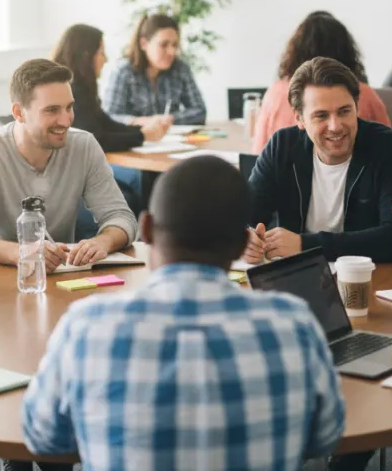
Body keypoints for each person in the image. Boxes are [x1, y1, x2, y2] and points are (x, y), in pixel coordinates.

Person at [22, 156, 346, 470]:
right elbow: (324, 437)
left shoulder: (87, 327)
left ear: (146, 230)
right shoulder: (293, 324)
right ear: (238, 246)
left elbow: (44, 438)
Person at [0, 59, 138, 271]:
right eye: (52, 110)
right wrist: (24, 253)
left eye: (69, 107)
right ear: (19, 113)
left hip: (63, 277)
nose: (66, 121)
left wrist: (101, 242)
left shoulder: (84, 145)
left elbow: (122, 217)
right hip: (2, 276)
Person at [245, 56, 392, 263]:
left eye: (344, 111)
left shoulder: (390, 147)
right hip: (298, 276)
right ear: (299, 118)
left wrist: (305, 245)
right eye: (321, 116)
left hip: (370, 278)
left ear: (357, 107)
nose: (335, 126)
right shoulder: (282, 146)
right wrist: (244, 238)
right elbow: (244, 214)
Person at [252, 11, 391, 153]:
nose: (334, 126)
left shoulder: (275, 93)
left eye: (344, 112)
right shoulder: (365, 94)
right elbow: (389, 147)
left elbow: (258, 152)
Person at [52, 23, 169, 150]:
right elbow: (96, 139)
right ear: (86, 55)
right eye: (101, 52)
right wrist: (142, 135)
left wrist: (142, 130)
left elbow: (107, 124)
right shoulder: (71, 92)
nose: (106, 59)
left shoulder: (81, 88)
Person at [102, 13, 207, 126]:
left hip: (173, 140)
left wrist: (169, 119)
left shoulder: (181, 69)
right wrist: (142, 122)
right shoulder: (123, 72)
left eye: (175, 45)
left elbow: (199, 110)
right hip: (135, 140)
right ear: (144, 44)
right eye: (163, 44)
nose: (172, 52)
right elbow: (109, 116)